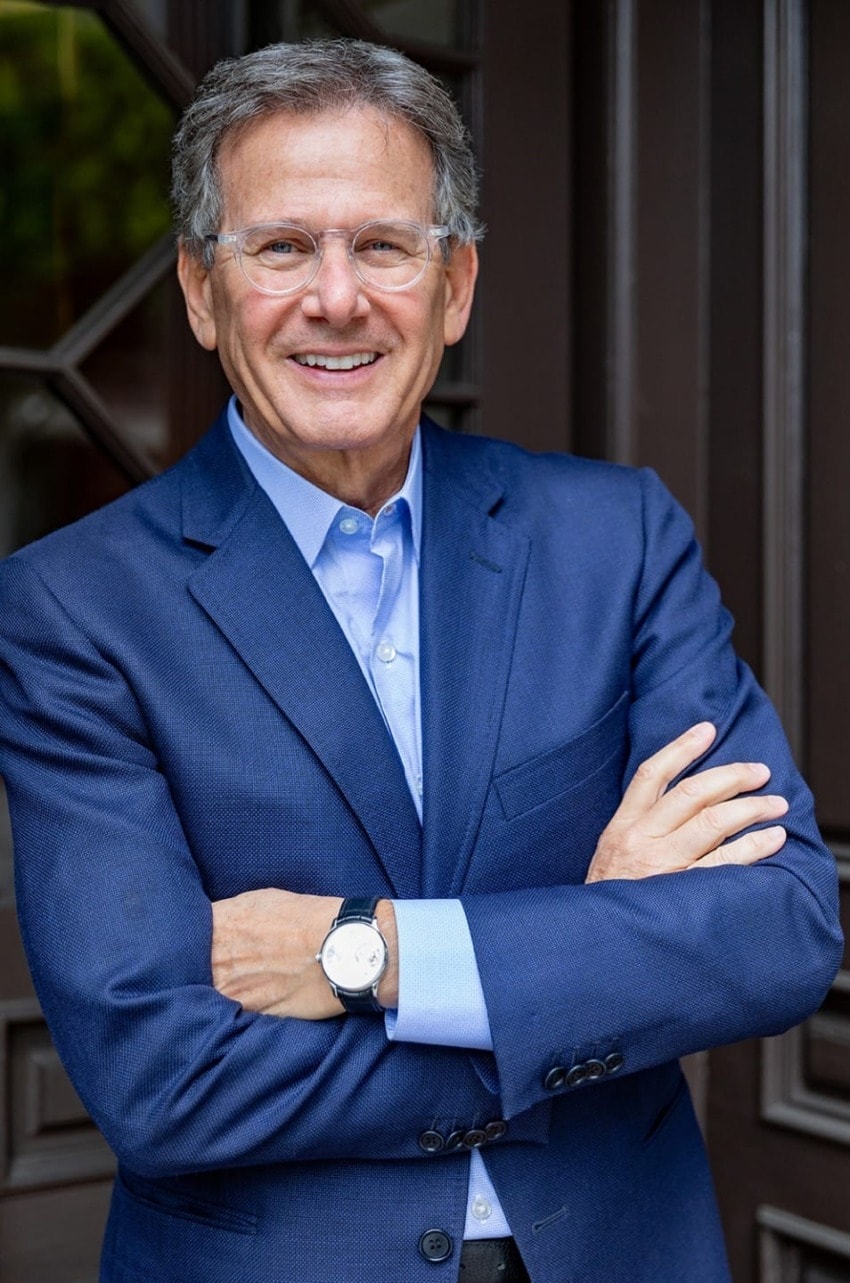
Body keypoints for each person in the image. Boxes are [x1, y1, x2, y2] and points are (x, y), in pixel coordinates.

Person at [0, 38, 841, 1283]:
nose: (336, 297)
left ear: (453, 286)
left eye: (384, 246)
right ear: (198, 288)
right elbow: (164, 1080)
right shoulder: (71, 607)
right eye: (281, 247)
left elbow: (781, 925)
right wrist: (593, 951)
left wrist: (373, 952)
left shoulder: (616, 539)